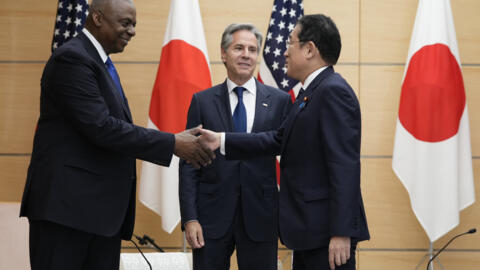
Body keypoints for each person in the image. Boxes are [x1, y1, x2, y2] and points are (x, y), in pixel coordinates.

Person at [19, 0, 214, 269]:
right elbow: (102, 127)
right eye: (125, 23)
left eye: (134, 24)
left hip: (97, 216)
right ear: (98, 18)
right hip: (67, 213)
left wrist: (174, 139)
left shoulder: (100, 62)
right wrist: (172, 143)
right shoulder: (73, 59)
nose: (132, 31)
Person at [199, 14, 370, 270]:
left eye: (290, 43)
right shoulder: (309, 94)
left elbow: (344, 166)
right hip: (309, 232)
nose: (284, 51)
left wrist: (341, 232)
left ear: (309, 49)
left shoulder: (333, 91)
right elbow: (278, 139)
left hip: (327, 235)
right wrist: (221, 140)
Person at [179, 23, 292, 270]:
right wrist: (190, 218)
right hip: (211, 217)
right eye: (238, 47)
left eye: (253, 49)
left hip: (261, 215)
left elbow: (289, 157)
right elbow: (188, 164)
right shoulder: (203, 101)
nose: (246, 54)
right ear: (223, 53)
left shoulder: (280, 101)